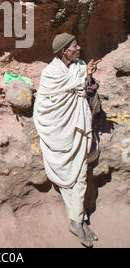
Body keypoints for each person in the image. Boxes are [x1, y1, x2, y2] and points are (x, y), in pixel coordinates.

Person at [33, 33, 100, 247]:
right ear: (64, 51)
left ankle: (77, 220)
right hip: (60, 131)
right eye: (74, 45)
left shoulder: (80, 66)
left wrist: (88, 76)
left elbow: (88, 92)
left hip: (79, 127)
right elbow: (44, 105)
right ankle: (78, 220)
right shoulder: (50, 73)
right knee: (69, 173)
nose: (79, 48)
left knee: (80, 174)